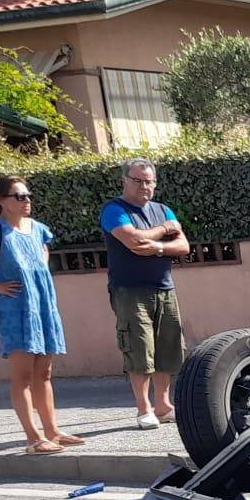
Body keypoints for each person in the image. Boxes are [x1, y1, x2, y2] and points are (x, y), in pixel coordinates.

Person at [0, 174, 83, 455]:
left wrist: (39, 269)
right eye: (19, 196)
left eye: (28, 196)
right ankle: (33, 438)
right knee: (22, 375)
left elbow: (42, 251)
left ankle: (52, 431)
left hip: (43, 305)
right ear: (2, 201)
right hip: (15, 308)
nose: (27, 201)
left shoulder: (37, 229)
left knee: (44, 373)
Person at [100, 158, 191, 428]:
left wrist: (158, 248)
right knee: (139, 348)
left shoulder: (163, 209)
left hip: (164, 287)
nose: (144, 186)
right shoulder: (114, 209)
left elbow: (184, 245)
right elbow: (134, 241)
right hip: (130, 290)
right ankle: (144, 409)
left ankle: (163, 406)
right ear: (125, 181)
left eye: (149, 181)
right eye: (137, 180)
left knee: (167, 348)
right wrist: (164, 233)